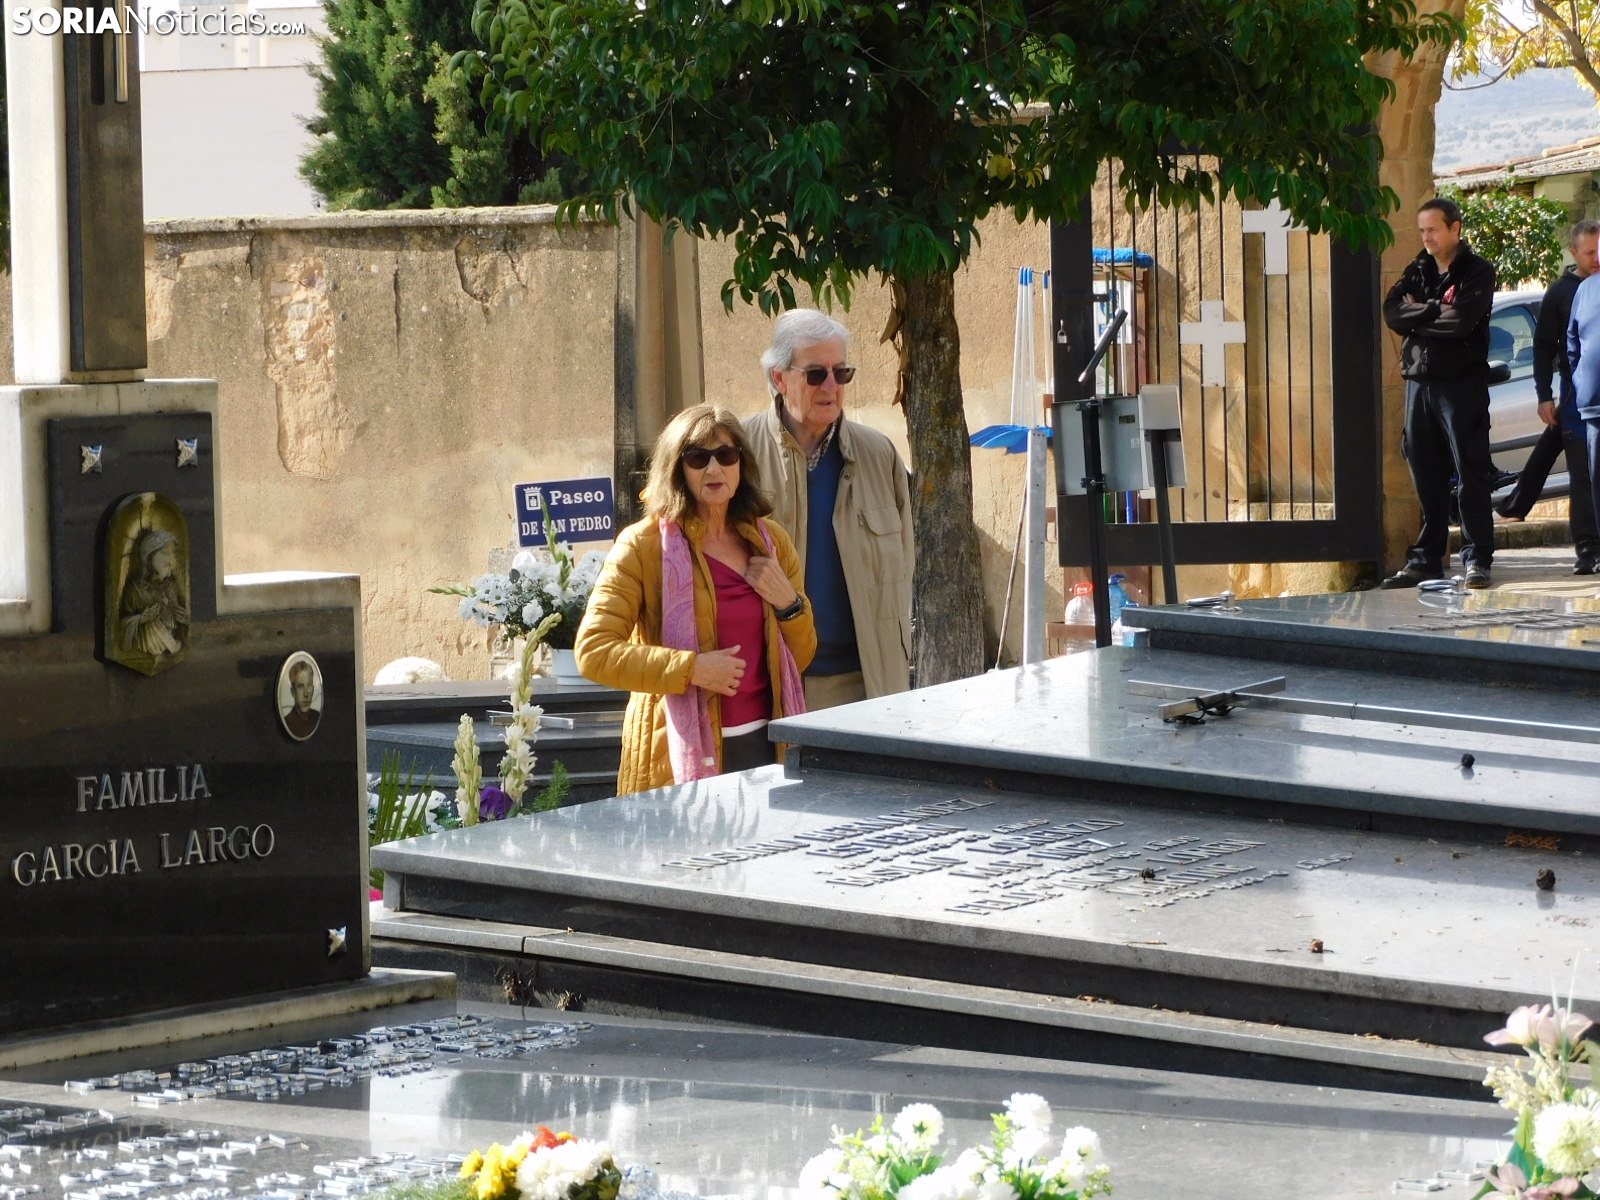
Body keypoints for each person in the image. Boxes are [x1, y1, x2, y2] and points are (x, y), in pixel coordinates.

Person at [576, 404, 816, 796]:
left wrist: (788, 603)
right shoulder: (641, 546)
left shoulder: (770, 542)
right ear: (678, 469)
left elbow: (801, 657)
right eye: (698, 458)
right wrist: (691, 669)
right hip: (675, 757)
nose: (714, 468)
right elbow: (594, 651)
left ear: (741, 463)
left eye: (726, 455)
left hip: (768, 747)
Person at [743, 309, 913, 710]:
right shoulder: (738, 453)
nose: (831, 386)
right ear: (780, 378)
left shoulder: (879, 454)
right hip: (772, 684)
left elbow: (906, 562)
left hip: (870, 685)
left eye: (842, 373)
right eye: (816, 374)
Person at [1381, 196, 1499, 590]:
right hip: (1419, 384)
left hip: (1461, 385)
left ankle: (1477, 558)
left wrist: (1419, 314)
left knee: (1470, 471)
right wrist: (1435, 309)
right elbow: (1392, 312)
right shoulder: (1418, 269)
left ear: (1455, 228)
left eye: (1433, 229)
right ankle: (1426, 560)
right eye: (1422, 230)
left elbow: (1460, 322)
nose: (1426, 237)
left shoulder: (1478, 271)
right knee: (1425, 472)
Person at [1497, 220, 1600, 575]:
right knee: (1582, 475)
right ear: (1574, 253)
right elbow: (1546, 348)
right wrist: (1545, 395)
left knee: (1559, 454)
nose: (1597, 258)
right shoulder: (1561, 293)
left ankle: (1515, 504)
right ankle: (1588, 551)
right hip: (1578, 398)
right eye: (1590, 252)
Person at [119, 529, 189, 659]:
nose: (170, 560)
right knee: (150, 623)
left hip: (172, 647)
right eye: (164, 553)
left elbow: (181, 626)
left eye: (171, 553)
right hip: (149, 647)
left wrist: (183, 619)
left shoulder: (171, 587)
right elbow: (121, 625)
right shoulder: (135, 590)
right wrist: (142, 619)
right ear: (149, 558)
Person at [282, 659, 322, 739]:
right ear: (293, 691)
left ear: (313, 688)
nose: (306, 694)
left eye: (309, 685)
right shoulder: (288, 722)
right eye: (300, 687)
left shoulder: (317, 716)